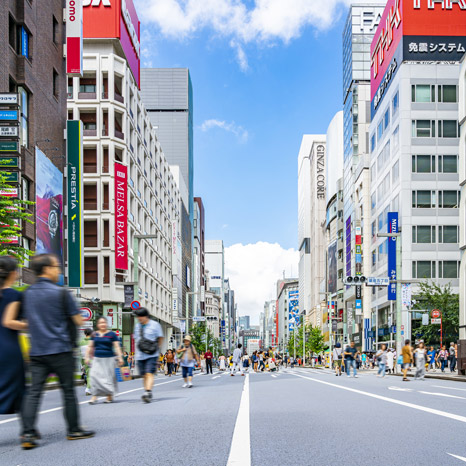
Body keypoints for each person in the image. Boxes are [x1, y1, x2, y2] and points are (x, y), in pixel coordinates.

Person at [18, 254, 94, 449]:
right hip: (61, 349)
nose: (58, 271)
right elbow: (78, 321)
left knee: (34, 392)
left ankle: (27, 434)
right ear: (46, 269)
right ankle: (74, 430)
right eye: (56, 267)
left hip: (37, 351)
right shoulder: (61, 293)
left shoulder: (28, 293)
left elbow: (25, 323)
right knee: (68, 391)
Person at [0, 257, 26, 416]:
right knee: (19, 392)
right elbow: (8, 322)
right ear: (12, 273)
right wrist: (29, 325)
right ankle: (27, 433)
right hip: (8, 348)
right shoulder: (13, 295)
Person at [85, 317, 123, 405]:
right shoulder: (94, 335)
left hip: (109, 359)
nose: (102, 324)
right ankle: (94, 396)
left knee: (108, 378)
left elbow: (117, 347)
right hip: (97, 359)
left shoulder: (112, 334)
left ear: (106, 324)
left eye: (104, 322)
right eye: (100, 323)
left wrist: (120, 357)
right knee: (94, 376)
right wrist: (87, 357)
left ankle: (109, 395)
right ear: (98, 325)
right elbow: (90, 346)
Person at [134, 307, 164, 403]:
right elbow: (136, 339)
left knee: (149, 373)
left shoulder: (155, 325)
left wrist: (156, 348)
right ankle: (147, 390)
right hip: (140, 354)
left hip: (152, 354)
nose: (139, 318)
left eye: (140, 316)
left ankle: (148, 391)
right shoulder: (137, 326)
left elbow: (160, 338)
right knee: (144, 375)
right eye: (138, 316)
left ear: (146, 316)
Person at [80, 328, 93, 395]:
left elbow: (80, 353)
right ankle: (88, 389)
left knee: (88, 375)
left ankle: (89, 388)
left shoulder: (81, 341)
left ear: (85, 334)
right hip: (92, 360)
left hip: (85, 360)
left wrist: (82, 364)